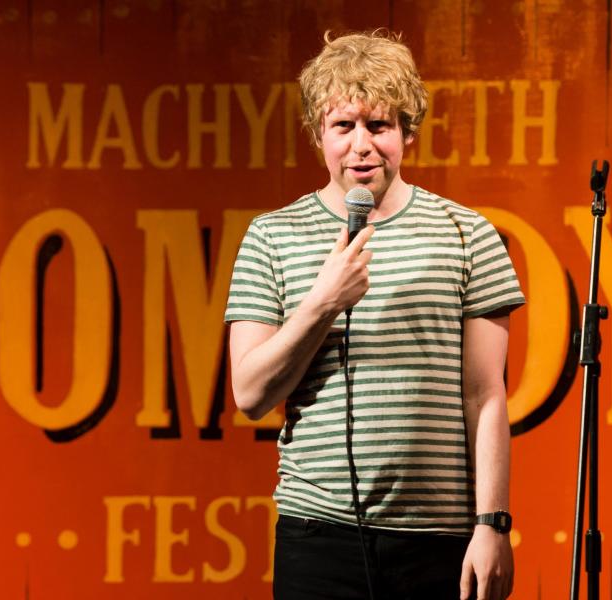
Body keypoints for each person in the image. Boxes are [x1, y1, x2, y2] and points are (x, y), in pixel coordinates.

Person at [224, 30, 524, 600]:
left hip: (439, 536)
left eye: (379, 126)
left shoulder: (466, 233)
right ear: (319, 136)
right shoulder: (272, 236)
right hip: (320, 533)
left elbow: (485, 396)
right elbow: (250, 392)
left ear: (407, 132)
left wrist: (492, 525)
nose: (362, 145)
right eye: (344, 126)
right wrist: (322, 302)